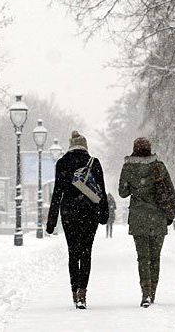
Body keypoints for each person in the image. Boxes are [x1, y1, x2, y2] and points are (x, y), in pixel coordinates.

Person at [46, 131, 109, 309]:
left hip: (69, 214)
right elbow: (101, 191)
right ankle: (83, 292)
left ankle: (74, 292)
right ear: (85, 146)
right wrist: (104, 213)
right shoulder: (93, 163)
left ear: (70, 145)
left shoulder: (62, 163)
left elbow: (57, 193)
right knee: (86, 252)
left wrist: (51, 221)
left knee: (73, 252)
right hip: (90, 214)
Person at [119, 137, 175, 308]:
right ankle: (153, 292)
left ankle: (145, 292)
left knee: (143, 257)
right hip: (157, 217)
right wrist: (170, 213)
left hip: (138, 218)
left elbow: (122, 192)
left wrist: (133, 185)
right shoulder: (159, 166)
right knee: (155, 257)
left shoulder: (128, 167)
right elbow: (171, 191)